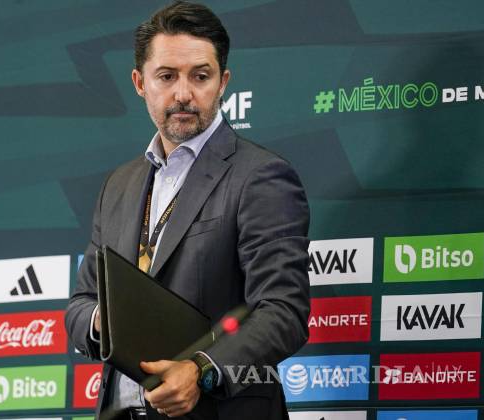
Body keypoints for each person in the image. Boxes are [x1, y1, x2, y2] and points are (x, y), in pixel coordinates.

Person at [65, 2, 310, 419]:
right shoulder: (118, 186)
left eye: (200, 76)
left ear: (223, 82)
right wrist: (107, 320)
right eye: (167, 76)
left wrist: (202, 371)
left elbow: (283, 310)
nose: (183, 94)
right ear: (140, 83)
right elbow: (80, 304)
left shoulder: (260, 176)